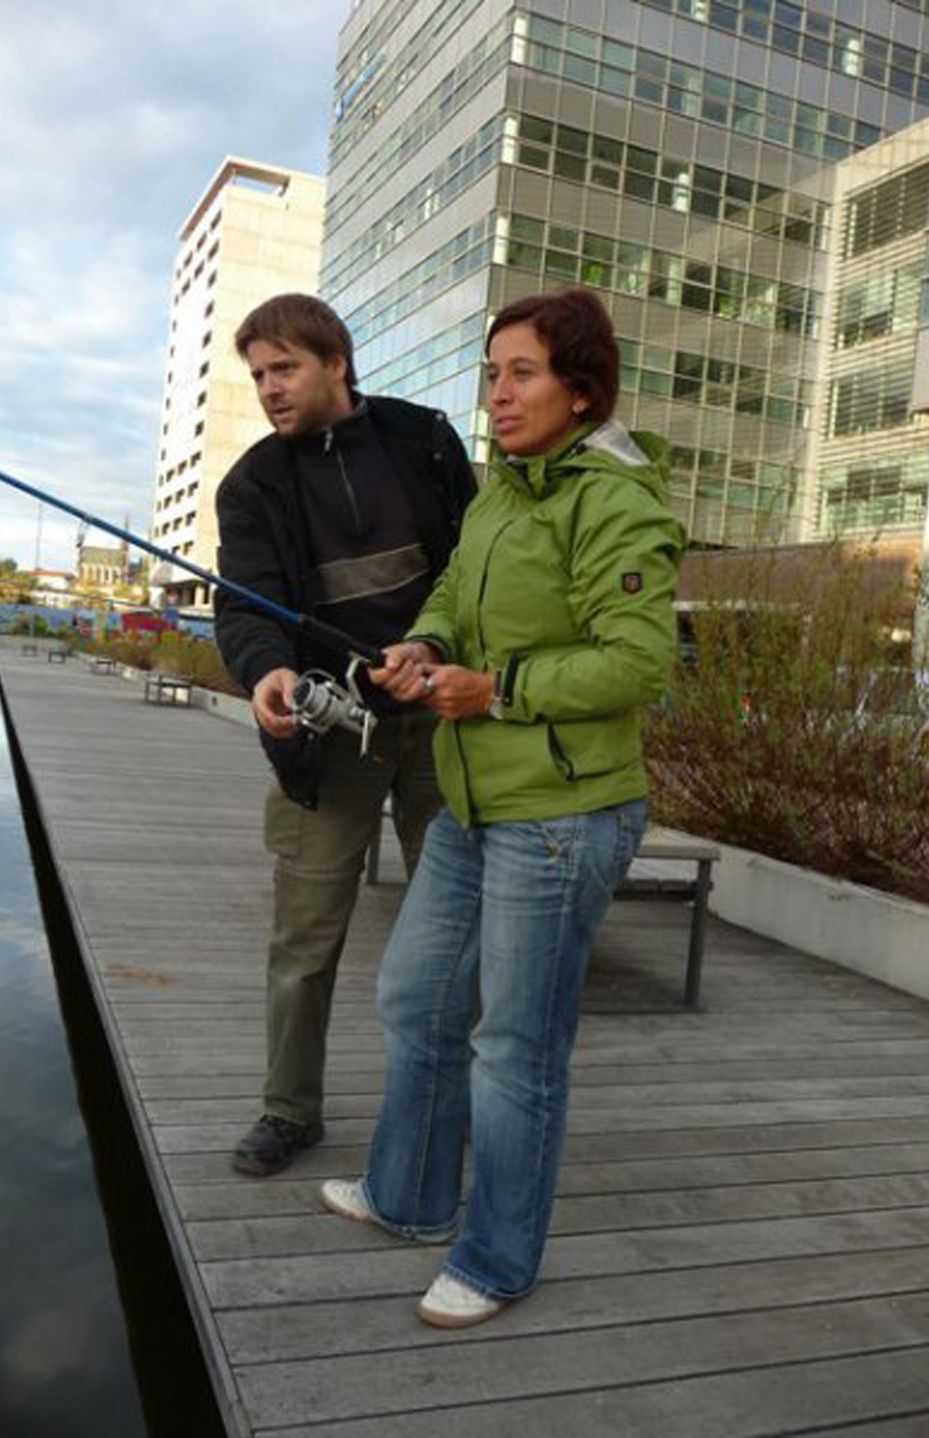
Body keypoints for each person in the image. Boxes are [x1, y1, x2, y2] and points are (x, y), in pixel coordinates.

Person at [319, 287, 685, 1327]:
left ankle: (497, 1257)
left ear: (581, 387)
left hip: (565, 816)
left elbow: (637, 661)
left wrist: (499, 689)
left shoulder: (616, 499)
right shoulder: (503, 492)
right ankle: (410, 1196)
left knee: (516, 1045)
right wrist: (425, 648)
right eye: (491, 373)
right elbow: (450, 598)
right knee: (415, 995)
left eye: (522, 372)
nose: (500, 392)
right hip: (478, 803)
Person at [214, 293, 476, 1176]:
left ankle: (454, 1104)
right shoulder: (250, 485)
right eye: (257, 375)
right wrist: (265, 674)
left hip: (445, 728)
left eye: (283, 368)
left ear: (337, 360)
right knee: (303, 939)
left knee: (460, 932)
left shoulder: (427, 440)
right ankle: (290, 1112)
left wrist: (439, 652)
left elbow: (478, 572)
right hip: (331, 745)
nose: (268, 389)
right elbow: (244, 605)